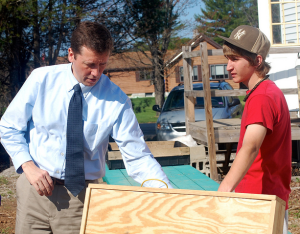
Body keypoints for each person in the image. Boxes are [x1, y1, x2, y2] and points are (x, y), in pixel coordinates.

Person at [0, 21, 172, 234]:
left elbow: (137, 155)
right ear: (71, 55)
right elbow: (8, 127)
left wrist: (169, 194)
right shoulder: (41, 80)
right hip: (33, 192)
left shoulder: (116, 99)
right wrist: (27, 165)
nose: (96, 72)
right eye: (90, 64)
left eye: (102, 65)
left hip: (81, 199)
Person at [217, 25, 291, 234]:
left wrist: (225, 188)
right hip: (269, 197)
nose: (229, 66)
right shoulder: (269, 91)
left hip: (259, 201)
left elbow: (250, 147)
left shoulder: (261, 97)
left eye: (235, 59)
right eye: (228, 59)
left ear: (257, 60)